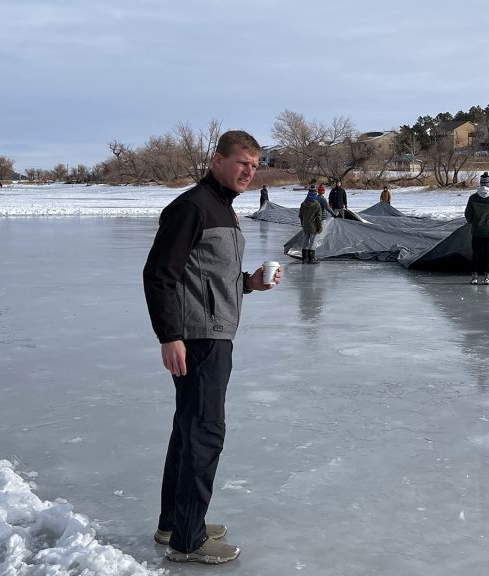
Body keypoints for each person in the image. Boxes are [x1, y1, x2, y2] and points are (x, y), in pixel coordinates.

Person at [142, 130, 281, 565]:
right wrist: (169, 336)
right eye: (242, 162)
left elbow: (209, 277)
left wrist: (248, 284)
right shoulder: (192, 207)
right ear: (218, 159)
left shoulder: (224, 208)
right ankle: (188, 540)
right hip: (198, 339)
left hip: (213, 333)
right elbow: (159, 275)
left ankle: (174, 523)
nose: (249, 171)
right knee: (204, 434)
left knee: (188, 431)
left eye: (255, 165)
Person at [299, 186, 323, 263]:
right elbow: (318, 218)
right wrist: (320, 228)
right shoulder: (316, 204)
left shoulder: (303, 203)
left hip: (305, 225)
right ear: (315, 194)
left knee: (305, 241)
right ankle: (312, 258)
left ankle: (304, 258)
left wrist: (303, 223)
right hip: (313, 226)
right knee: (313, 242)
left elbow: (300, 215)